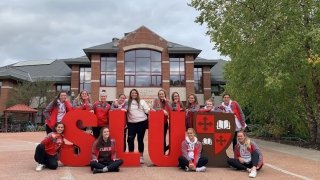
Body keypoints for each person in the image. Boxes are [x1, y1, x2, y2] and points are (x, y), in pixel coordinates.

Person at [127, 89, 150, 164]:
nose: (134, 94)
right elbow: (119, 105)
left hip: (142, 122)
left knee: (140, 139)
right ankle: (131, 155)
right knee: (130, 139)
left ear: (137, 94)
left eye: (135, 93)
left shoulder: (142, 101)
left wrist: (152, 110)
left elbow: (147, 110)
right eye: (132, 93)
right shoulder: (127, 102)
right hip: (131, 123)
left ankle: (141, 156)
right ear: (130, 94)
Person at [151, 89, 171, 154]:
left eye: (162, 94)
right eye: (160, 94)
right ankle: (159, 151)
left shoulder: (167, 101)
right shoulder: (156, 100)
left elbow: (170, 109)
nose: (161, 95)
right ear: (158, 95)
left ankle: (163, 151)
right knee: (158, 138)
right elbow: (154, 108)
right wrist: (162, 110)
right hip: (158, 123)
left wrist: (166, 101)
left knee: (163, 138)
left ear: (164, 94)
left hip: (165, 122)